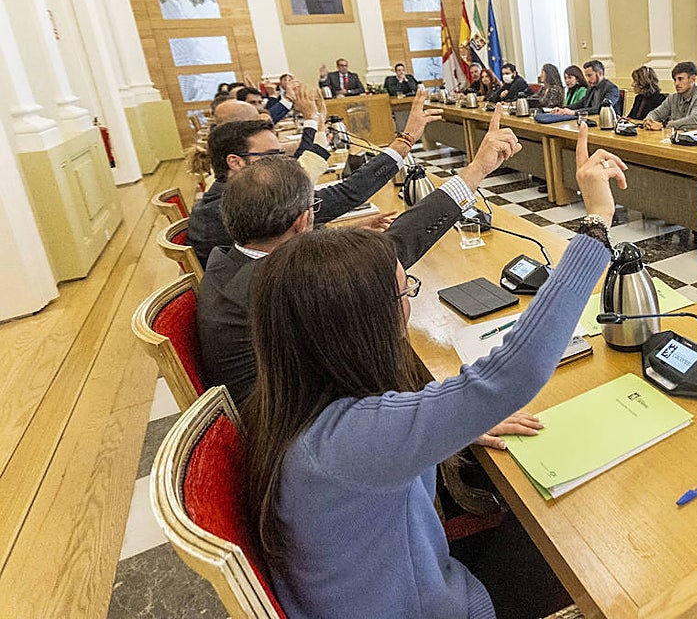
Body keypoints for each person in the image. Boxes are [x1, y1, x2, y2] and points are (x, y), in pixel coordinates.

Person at [244, 122, 626, 619]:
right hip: (436, 606)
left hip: (393, 586)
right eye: (405, 293)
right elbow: (516, 372)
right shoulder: (360, 439)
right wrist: (596, 219)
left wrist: (447, 427)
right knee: (593, 546)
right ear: (360, 326)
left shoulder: (291, 404)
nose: (407, 305)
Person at [198, 105, 520, 406]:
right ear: (301, 222)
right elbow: (392, 249)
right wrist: (477, 170)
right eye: (314, 212)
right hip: (312, 426)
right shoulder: (289, 281)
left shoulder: (227, 262)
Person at [187, 88, 442, 267]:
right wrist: (406, 138)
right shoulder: (244, 206)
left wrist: (348, 231)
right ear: (235, 161)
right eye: (272, 155)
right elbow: (346, 194)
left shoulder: (227, 196)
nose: (281, 162)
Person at [643, 61, 697, 130]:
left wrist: (664, 125)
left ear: (692, 78)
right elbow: (657, 113)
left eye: (680, 79)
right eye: (675, 80)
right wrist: (649, 120)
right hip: (677, 137)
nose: (676, 83)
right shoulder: (673, 97)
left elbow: (695, 122)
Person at [551, 59, 620, 116]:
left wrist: (575, 112)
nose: (587, 79)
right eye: (586, 76)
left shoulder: (612, 89)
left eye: (589, 75)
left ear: (600, 73)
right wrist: (563, 109)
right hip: (590, 120)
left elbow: (602, 108)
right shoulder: (591, 88)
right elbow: (581, 103)